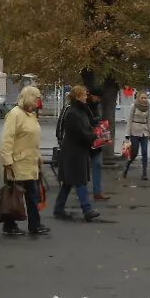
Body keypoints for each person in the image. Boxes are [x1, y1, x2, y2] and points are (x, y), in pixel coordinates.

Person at [0, 85, 48, 237]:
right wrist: (7, 161)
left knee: (32, 196)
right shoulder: (15, 114)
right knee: (14, 196)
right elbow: (7, 139)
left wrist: (38, 157)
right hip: (16, 163)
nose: (39, 102)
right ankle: (10, 224)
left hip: (29, 162)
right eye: (37, 98)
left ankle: (35, 224)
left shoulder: (31, 115)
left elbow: (33, 140)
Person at [54, 85, 100, 221]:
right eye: (84, 95)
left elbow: (87, 125)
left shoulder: (81, 110)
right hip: (74, 152)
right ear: (78, 96)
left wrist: (96, 125)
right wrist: (94, 136)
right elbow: (80, 132)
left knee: (68, 182)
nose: (86, 97)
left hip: (76, 150)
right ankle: (87, 210)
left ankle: (58, 209)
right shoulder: (73, 112)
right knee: (79, 181)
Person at [86, 86, 112, 202]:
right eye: (97, 97)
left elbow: (98, 120)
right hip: (86, 141)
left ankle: (97, 192)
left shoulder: (97, 107)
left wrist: (102, 127)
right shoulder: (84, 106)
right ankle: (80, 190)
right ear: (91, 96)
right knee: (83, 169)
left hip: (96, 141)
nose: (99, 100)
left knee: (97, 165)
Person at [124, 91, 150, 180]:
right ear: (138, 98)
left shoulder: (148, 107)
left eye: (145, 98)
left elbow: (149, 120)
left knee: (144, 152)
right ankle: (127, 166)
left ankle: (144, 173)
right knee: (134, 152)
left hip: (144, 132)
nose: (144, 99)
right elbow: (129, 120)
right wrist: (127, 134)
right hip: (134, 131)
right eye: (142, 98)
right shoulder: (134, 106)